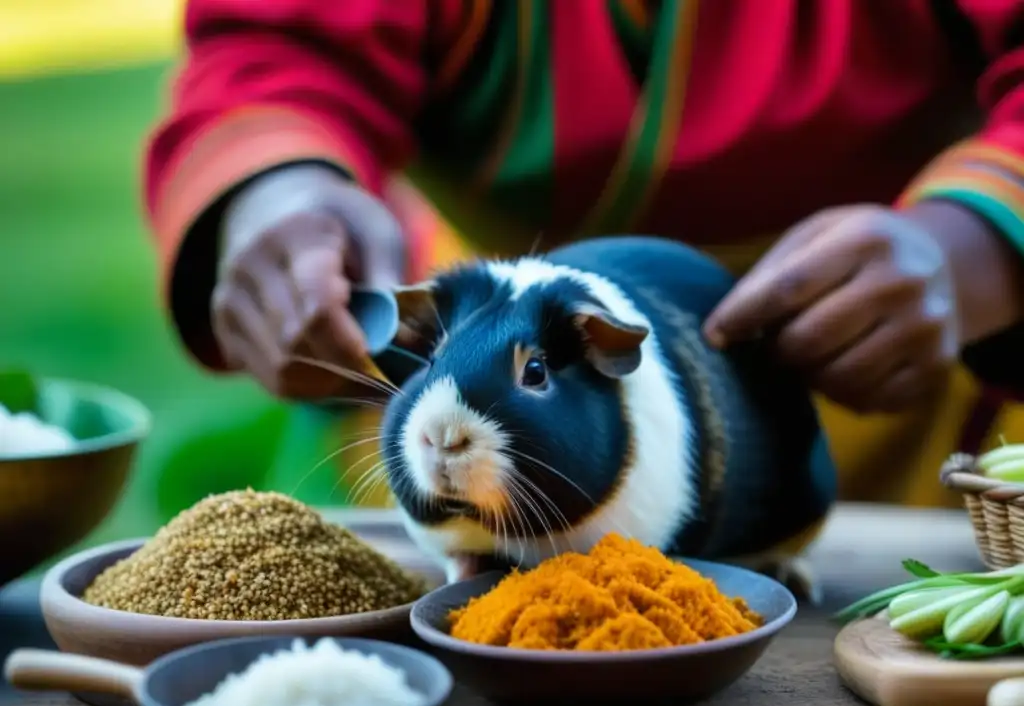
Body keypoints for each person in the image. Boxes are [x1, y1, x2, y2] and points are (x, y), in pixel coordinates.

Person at [144, 0, 1024, 515]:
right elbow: (280, 45)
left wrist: (972, 245)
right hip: (460, 370)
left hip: (907, 372)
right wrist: (278, 190)